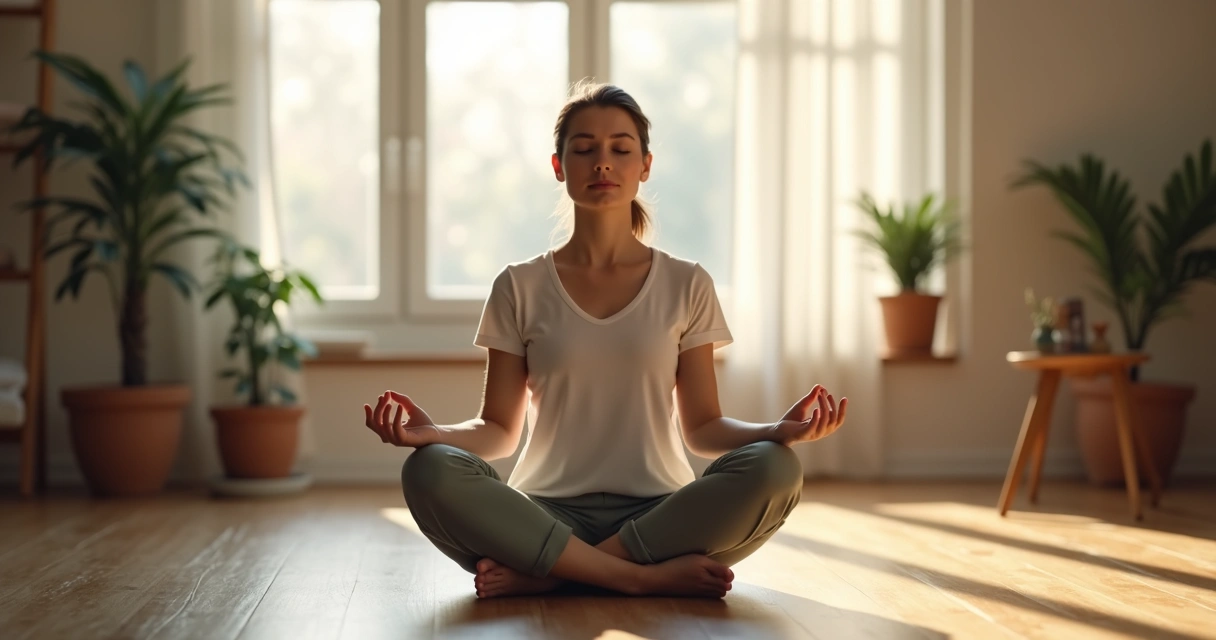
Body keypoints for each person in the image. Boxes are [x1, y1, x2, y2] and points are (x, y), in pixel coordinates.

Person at [363, 81, 848, 599]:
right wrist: (432, 434)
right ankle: (636, 578)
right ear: (558, 166)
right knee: (430, 471)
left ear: (645, 166)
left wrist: (776, 429)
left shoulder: (687, 284)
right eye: (584, 149)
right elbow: (499, 430)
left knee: (775, 467)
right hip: (545, 515)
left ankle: (554, 575)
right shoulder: (518, 286)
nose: (602, 163)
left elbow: (703, 428)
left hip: (661, 514)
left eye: (620, 149)